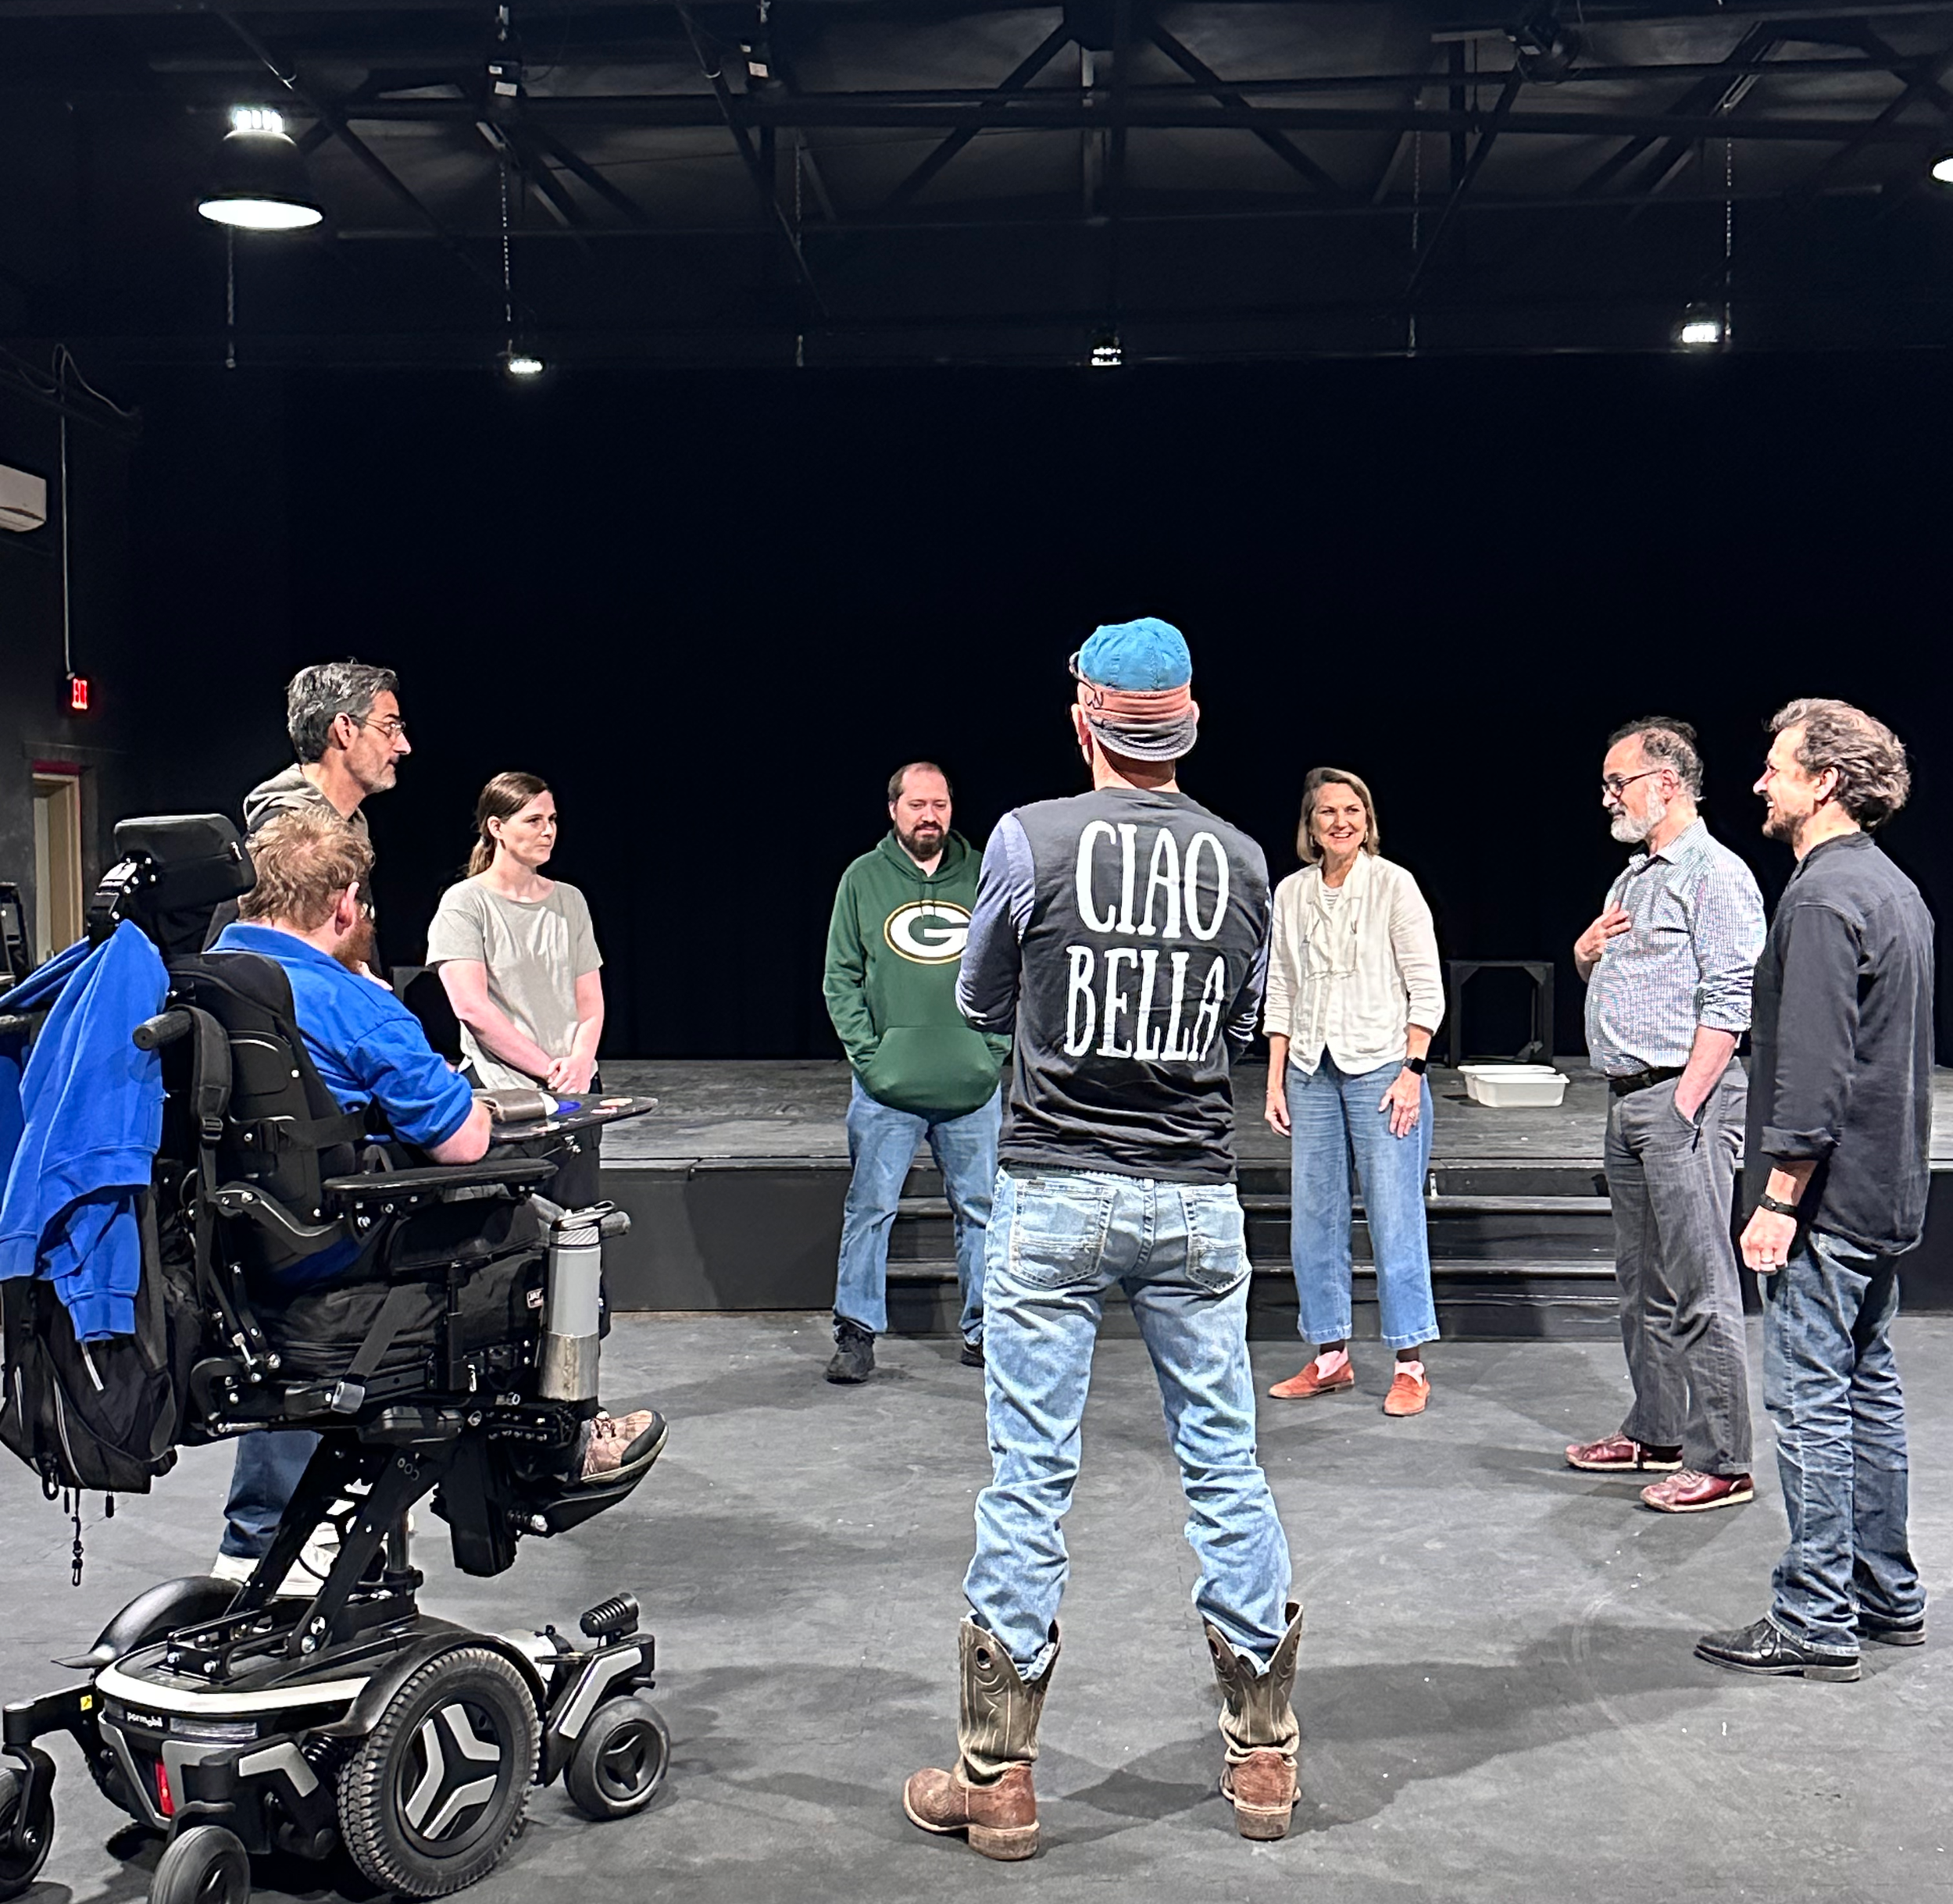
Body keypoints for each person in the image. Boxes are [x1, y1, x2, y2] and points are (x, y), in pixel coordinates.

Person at [904, 619, 1300, 1859]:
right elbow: (1242, 1018)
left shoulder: (1029, 837)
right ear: (1184, 725)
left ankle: (997, 1778)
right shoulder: (1243, 860)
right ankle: (1265, 1766)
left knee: (1031, 1477)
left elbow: (976, 995)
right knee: (1226, 1469)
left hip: (1055, 1188)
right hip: (1192, 1194)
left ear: (1087, 721)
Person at [206, 811, 655, 1582]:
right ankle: (560, 1452)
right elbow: (462, 1141)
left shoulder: (200, 976)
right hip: (340, 1252)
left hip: (234, 1258)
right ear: (344, 906)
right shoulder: (347, 998)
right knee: (548, 1226)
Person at [1697, 699, 1933, 1681]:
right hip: (1884, 1192)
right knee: (1867, 1390)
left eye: (1776, 766)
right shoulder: (1890, 888)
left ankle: (1817, 1616)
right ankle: (1886, 1594)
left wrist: (1778, 1196)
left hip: (1826, 1202)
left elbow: (1815, 1067)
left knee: (1808, 1402)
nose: (1760, 781)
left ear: (1823, 781)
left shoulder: (1822, 898)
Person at [209, 658, 411, 1571]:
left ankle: (342, 1536)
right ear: (344, 732)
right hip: (287, 1116)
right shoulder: (286, 823)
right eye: (389, 724)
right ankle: (267, 1545)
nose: (402, 741)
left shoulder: (346, 820)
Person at [1566, 718, 1766, 1515]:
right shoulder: (1633, 878)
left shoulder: (1714, 874)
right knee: (1639, 1282)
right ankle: (1656, 1427)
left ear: (1666, 784)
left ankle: (1722, 1459)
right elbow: (1621, 970)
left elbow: (1731, 999)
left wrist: (1686, 1101)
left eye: (1619, 782)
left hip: (1684, 1098)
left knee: (1698, 1284)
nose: (1608, 797)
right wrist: (1584, 953)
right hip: (1626, 1100)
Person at [1262, 768, 1444, 1416]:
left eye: (1352, 809)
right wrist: (1276, 1075)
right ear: (1310, 826)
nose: (1341, 821)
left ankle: (1409, 1362)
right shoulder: (1291, 893)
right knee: (1314, 1218)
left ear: (1366, 819)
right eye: (1327, 812)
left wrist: (1412, 1074)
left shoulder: (1394, 884)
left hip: (1380, 1068)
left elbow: (1427, 986)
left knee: (1395, 1216)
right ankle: (1331, 1356)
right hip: (1312, 1068)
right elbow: (1280, 986)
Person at [821, 763, 1008, 1383]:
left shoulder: (986, 873)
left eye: (941, 803)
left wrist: (992, 1051)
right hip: (887, 1089)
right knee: (870, 1207)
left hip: (970, 1084)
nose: (931, 815)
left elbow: (1017, 965)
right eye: (918, 804)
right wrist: (871, 1058)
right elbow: (840, 976)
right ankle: (856, 1333)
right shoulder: (863, 878)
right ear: (894, 810)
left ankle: (985, 1330)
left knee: (981, 1207)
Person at [428, 773, 605, 1206]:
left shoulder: (570, 901)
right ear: (496, 827)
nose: (548, 831)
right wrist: (549, 1070)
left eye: (552, 819)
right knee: (513, 1233)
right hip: (506, 1095)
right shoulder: (465, 903)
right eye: (533, 820)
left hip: (576, 1094)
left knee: (577, 1230)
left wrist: (580, 1065)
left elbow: (591, 1003)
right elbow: (472, 1008)